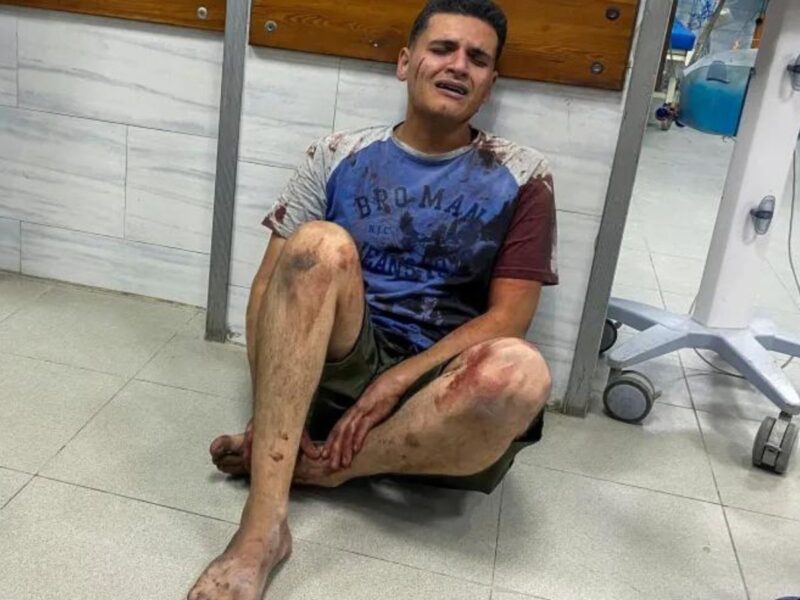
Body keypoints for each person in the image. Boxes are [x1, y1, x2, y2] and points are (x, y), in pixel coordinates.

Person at [188, 0, 557, 597]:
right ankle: (261, 529)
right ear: (406, 63)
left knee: (523, 371)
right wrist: (267, 406)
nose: (458, 65)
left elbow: (511, 315)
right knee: (316, 245)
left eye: (478, 58)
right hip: (340, 362)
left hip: (438, 392)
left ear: (490, 84)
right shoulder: (334, 155)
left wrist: (397, 380)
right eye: (443, 49)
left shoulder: (523, 174)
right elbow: (268, 290)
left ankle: (317, 470)